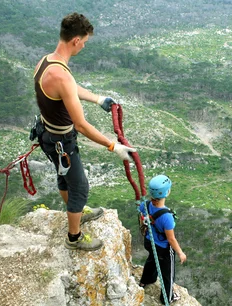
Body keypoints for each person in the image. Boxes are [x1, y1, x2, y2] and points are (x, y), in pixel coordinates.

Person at [34, 12, 136, 251]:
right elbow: (80, 124)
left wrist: (97, 98)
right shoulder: (61, 74)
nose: (84, 46)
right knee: (80, 187)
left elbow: (68, 88)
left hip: (47, 135)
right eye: (85, 42)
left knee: (64, 176)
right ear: (76, 40)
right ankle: (74, 237)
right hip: (62, 140)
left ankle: (75, 215)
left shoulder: (46, 62)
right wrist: (114, 146)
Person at [139, 175, 187, 305]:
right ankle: (168, 298)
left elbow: (141, 215)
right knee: (167, 274)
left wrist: (144, 228)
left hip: (149, 241)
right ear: (167, 192)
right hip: (163, 248)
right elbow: (171, 239)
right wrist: (180, 252)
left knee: (152, 260)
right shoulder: (167, 217)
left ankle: (145, 280)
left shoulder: (146, 204)